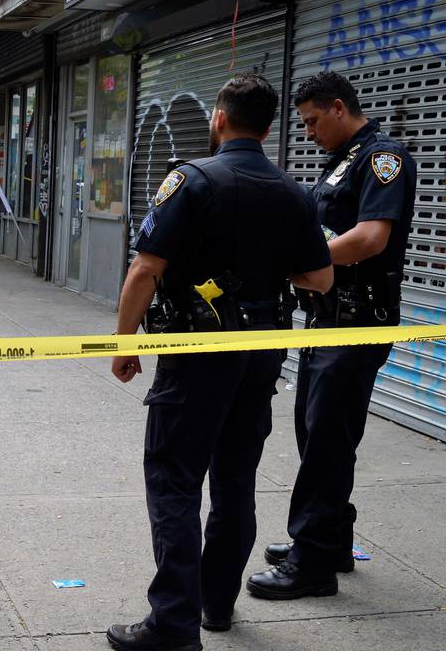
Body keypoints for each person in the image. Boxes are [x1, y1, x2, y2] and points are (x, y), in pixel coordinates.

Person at [104, 74, 333, 651]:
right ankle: (217, 606)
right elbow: (320, 278)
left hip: (196, 355)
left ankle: (173, 625)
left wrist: (124, 342)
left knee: (175, 482)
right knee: (236, 481)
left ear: (219, 118)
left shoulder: (192, 179)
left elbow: (144, 269)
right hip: (260, 356)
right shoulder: (294, 192)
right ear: (269, 126)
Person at [248, 72, 417, 600]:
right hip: (328, 318)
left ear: (339, 108)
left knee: (325, 439)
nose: (309, 132)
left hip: (356, 319)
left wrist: (302, 260)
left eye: (313, 121)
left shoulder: (382, 159)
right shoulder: (343, 159)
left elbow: (370, 238)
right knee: (318, 432)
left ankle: (313, 563)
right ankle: (332, 539)